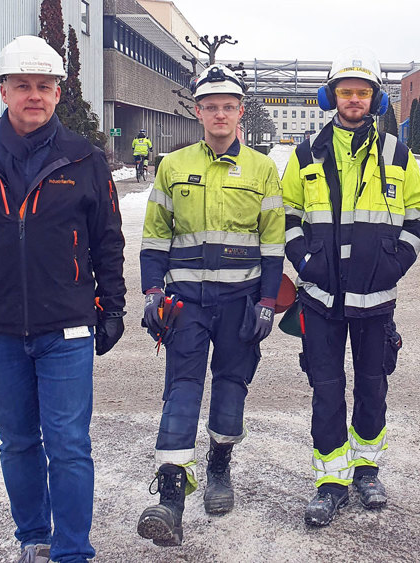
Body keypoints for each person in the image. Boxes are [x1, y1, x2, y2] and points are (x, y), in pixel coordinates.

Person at [0, 35, 126, 563]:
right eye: (22, 85)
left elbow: (108, 240)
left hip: (66, 329)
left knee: (68, 446)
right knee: (17, 442)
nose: (34, 95)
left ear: (59, 93)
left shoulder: (83, 158)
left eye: (44, 86)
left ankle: (72, 551)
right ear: (3, 90)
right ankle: (34, 538)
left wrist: (113, 306)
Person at [281, 47, 420, 527]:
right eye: (345, 92)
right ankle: (330, 481)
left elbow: (418, 213)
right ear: (332, 97)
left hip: (375, 298)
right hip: (320, 299)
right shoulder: (305, 155)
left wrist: (398, 261)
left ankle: (366, 471)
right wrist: (305, 260)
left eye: (362, 93)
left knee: (372, 387)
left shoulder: (397, 155)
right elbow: (286, 216)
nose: (353, 100)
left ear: (375, 100)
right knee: (326, 390)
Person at [136, 63, 284, 547]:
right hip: (186, 304)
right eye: (210, 106)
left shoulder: (262, 169)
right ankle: (172, 495)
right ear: (198, 112)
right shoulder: (172, 166)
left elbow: (273, 244)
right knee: (181, 388)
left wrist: (267, 301)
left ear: (240, 112)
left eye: (228, 106)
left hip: (240, 302)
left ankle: (219, 463)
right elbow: (156, 234)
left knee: (230, 387)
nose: (219, 114)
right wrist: (152, 292)